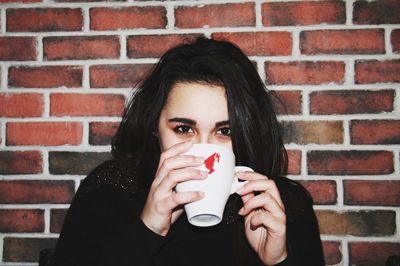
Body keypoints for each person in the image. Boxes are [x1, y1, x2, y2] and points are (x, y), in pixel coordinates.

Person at [49, 37, 325, 266]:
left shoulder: (281, 206)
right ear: (155, 127)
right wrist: (147, 231)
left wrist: (278, 260)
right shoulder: (110, 191)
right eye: (183, 129)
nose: (203, 153)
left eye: (225, 131)